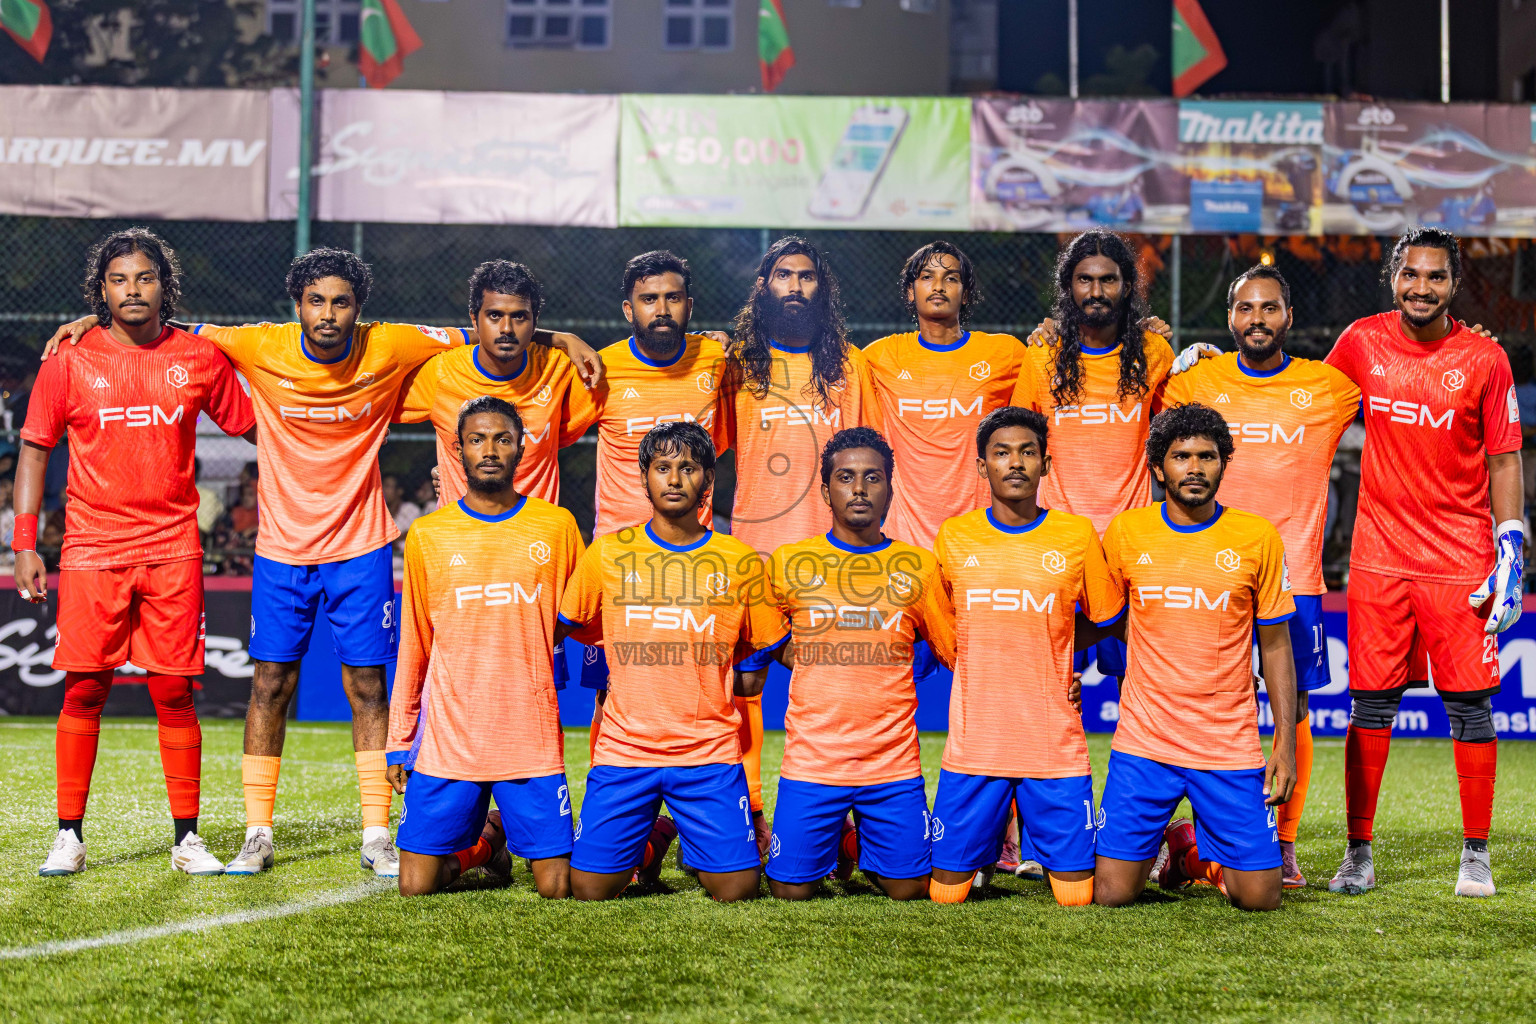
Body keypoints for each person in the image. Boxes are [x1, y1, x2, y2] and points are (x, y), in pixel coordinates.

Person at [43, 247, 600, 877]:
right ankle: (258, 833)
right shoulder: (259, 344)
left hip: (361, 546)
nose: (327, 314)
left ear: (359, 310)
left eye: (340, 302)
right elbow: (162, 328)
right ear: (297, 304)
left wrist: (565, 336)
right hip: (280, 549)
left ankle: (375, 834)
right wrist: (90, 322)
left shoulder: (389, 346)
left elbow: (493, 334)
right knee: (269, 686)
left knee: (368, 687)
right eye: (316, 300)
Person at [22, 228, 255, 877]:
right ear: (102, 288)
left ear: (164, 286)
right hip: (92, 548)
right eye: (119, 279)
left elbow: (257, 423)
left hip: (173, 548)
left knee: (175, 691)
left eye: (144, 278)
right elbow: (36, 449)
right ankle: (69, 834)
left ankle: (187, 839)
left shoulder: (199, 357)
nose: (132, 289)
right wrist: (25, 543)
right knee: (85, 688)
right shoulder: (69, 358)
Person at [1319, 229, 1523, 898]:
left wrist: (1512, 542)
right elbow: (1305, 404)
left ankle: (1476, 855)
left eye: (1436, 277)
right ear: (1393, 277)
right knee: (1371, 705)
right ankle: (1358, 854)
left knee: (1470, 709)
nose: (1421, 287)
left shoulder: (1486, 358)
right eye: (1411, 274)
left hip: (1460, 561)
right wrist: (1217, 371)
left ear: (1453, 284)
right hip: (1380, 559)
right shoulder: (1360, 343)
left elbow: (1503, 460)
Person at [1156, 265, 1361, 888]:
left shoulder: (1327, 387)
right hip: (1208, 572)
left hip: (1294, 578)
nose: (1257, 319)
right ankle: (1182, 837)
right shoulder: (1198, 382)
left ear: (1288, 318)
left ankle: (1288, 842)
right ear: (1229, 319)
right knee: (1200, 698)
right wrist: (1168, 357)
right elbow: (1136, 409)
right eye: (1245, 308)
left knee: (1290, 705)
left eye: (1269, 308)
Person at [557, 421, 786, 902]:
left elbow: (767, 645)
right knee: (587, 890)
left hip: (707, 753)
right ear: (644, 479)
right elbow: (571, 624)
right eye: (663, 468)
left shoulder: (739, 561)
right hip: (625, 751)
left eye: (689, 468)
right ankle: (657, 836)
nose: (675, 479)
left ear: (708, 479)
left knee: (738, 890)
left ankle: (689, 832)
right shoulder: (608, 554)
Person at [1006, 228, 1174, 875]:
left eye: (1108, 279)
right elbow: (1017, 441)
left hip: (1133, 556)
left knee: (1148, 699)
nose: (1096, 291)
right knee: (1046, 698)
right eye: (1085, 279)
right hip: (1059, 557)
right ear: (1068, 288)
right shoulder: (1043, 358)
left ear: (1126, 287)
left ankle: (1146, 838)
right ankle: (1033, 841)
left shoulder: (1155, 353)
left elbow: (1178, 429)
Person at [1093, 402, 1297, 912]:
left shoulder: (1257, 537)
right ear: (1158, 467)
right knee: (1113, 895)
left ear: (1224, 462)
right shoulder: (1126, 533)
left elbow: (1275, 644)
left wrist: (1285, 743)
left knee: (1260, 899)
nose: (1196, 468)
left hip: (1227, 745)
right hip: (1145, 743)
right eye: (1181, 457)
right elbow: (1100, 620)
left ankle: (1184, 855)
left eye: (1208, 456)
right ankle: (1172, 836)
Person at [386, 396, 583, 898]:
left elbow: (579, 616)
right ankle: (486, 845)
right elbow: (415, 644)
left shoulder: (556, 526)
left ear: (522, 448)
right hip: (451, 741)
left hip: (529, 739)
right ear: (458, 450)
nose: (489, 449)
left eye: (502, 439)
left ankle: (497, 835)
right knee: (415, 887)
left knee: (557, 888)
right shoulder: (428, 534)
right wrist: (399, 739)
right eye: (477, 439)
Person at [722, 236, 881, 851]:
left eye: (806, 276)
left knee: (841, 687)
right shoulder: (736, 364)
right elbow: (712, 450)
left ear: (823, 288)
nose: (794, 286)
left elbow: (865, 454)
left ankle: (847, 820)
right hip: (755, 551)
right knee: (747, 686)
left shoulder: (849, 364)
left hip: (830, 557)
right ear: (764, 287)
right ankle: (751, 815)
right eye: (782, 275)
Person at [928, 407, 1123, 906]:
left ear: (1046, 465)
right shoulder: (954, 536)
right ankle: (985, 849)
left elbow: (1108, 617)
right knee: (945, 897)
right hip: (975, 747)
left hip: (1053, 747)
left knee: (1077, 898)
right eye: (1001, 453)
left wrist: (1053, 647)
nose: (1015, 463)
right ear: (981, 466)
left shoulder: (1077, 536)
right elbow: (943, 623)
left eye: (1027, 452)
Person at [757, 427, 955, 901]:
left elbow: (950, 647)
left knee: (909, 891)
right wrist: (813, 653)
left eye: (873, 477)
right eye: (846, 477)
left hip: (890, 764)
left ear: (890, 486)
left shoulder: (918, 566)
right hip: (812, 760)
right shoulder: (790, 562)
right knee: (789, 891)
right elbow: (764, 636)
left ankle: (852, 842)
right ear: (826, 490)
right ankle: (841, 841)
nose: (860, 488)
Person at [394, 260, 600, 508]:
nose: (506, 328)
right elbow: (368, 408)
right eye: (494, 315)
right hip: (459, 538)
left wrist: (565, 339)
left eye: (519, 317)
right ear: (474, 319)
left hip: (534, 537)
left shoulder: (560, 368)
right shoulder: (440, 372)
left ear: (535, 322)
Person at [863, 242, 1026, 550]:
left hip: (982, 536)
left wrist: (1056, 330)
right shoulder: (878, 357)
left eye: (951, 278)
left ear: (965, 294)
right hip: (903, 538)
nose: (938, 286)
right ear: (910, 291)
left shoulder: (1006, 353)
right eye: (927, 276)